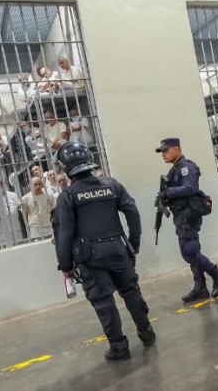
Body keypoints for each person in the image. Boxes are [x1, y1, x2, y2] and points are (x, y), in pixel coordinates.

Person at [53, 142, 154, 360]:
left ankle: (119, 346)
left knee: (103, 301)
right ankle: (147, 333)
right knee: (131, 291)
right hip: (119, 250)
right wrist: (133, 244)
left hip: (90, 257)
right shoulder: (111, 185)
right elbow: (132, 213)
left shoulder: (68, 197)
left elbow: (64, 235)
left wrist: (66, 266)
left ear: (64, 167)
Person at [157, 138, 218, 304]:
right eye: (162, 152)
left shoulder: (186, 167)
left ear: (176, 148)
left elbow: (191, 188)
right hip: (181, 215)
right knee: (190, 251)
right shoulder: (174, 170)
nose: (164, 154)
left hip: (189, 214)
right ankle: (200, 288)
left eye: (166, 150)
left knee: (190, 251)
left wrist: (168, 193)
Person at [21, 175, 56, 240]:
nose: (38, 186)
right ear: (29, 186)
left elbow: (53, 209)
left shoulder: (49, 195)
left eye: (40, 184)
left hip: (48, 225)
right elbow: (24, 214)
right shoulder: (25, 198)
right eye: (35, 184)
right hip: (35, 227)